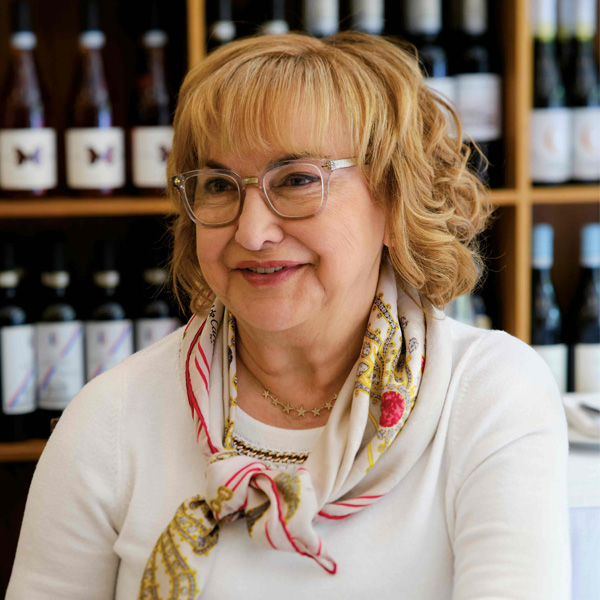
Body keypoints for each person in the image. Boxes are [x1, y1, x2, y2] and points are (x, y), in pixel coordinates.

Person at [7, 32, 570, 599]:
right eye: (221, 186)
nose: (251, 232)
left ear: (394, 196)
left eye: (298, 180)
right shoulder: (109, 421)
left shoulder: (487, 396)